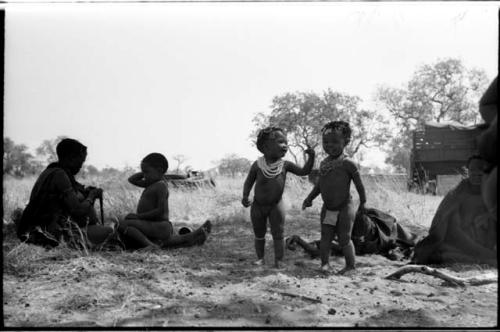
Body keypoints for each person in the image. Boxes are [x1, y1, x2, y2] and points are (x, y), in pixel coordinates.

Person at [15, 138, 114, 249]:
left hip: (40, 231)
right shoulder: (59, 175)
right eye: (80, 161)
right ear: (71, 158)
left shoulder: (51, 171)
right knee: (110, 232)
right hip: (52, 235)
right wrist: (91, 196)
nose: (81, 166)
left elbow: (68, 198)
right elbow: (77, 210)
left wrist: (86, 193)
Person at [242, 126, 315, 268]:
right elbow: (248, 181)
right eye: (281, 142)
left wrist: (311, 157)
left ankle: (279, 260)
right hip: (257, 206)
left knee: (278, 234)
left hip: (276, 206)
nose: (285, 146)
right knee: (259, 234)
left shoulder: (285, 165)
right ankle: (260, 259)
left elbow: (304, 171)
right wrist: (245, 196)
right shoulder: (257, 165)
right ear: (266, 147)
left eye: (286, 142)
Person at [302, 121, 367, 274]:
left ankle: (351, 266)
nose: (329, 145)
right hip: (328, 208)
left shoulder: (348, 163)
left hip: (345, 207)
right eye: (326, 142)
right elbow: (319, 185)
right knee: (326, 237)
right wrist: (309, 198)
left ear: (346, 142)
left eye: (335, 142)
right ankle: (325, 264)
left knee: (344, 238)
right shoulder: (324, 163)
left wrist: (363, 202)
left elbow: (359, 185)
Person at [413, 155, 497, 266]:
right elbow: (451, 230)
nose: (477, 174)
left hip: (488, 240)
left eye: (481, 171)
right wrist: (484, 253)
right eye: (473, 171)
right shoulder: (457, 194)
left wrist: (488, 216)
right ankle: (484, 259)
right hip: (462, 242)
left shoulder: (492, 190)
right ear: (467, 172)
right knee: (439, 253)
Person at [118, 153, 211, 250]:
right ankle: (192, 238)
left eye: (147, 172)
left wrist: (138, 217)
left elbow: (160, 210)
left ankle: (150, 246)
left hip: (160, 226)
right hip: (152, 225)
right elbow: (132, 180)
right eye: (143, 173)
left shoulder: (160, 186)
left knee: (122, 224)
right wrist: (146, 171)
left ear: (159, 170)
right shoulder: (149, 184)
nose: (144, 176)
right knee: (128, 228)